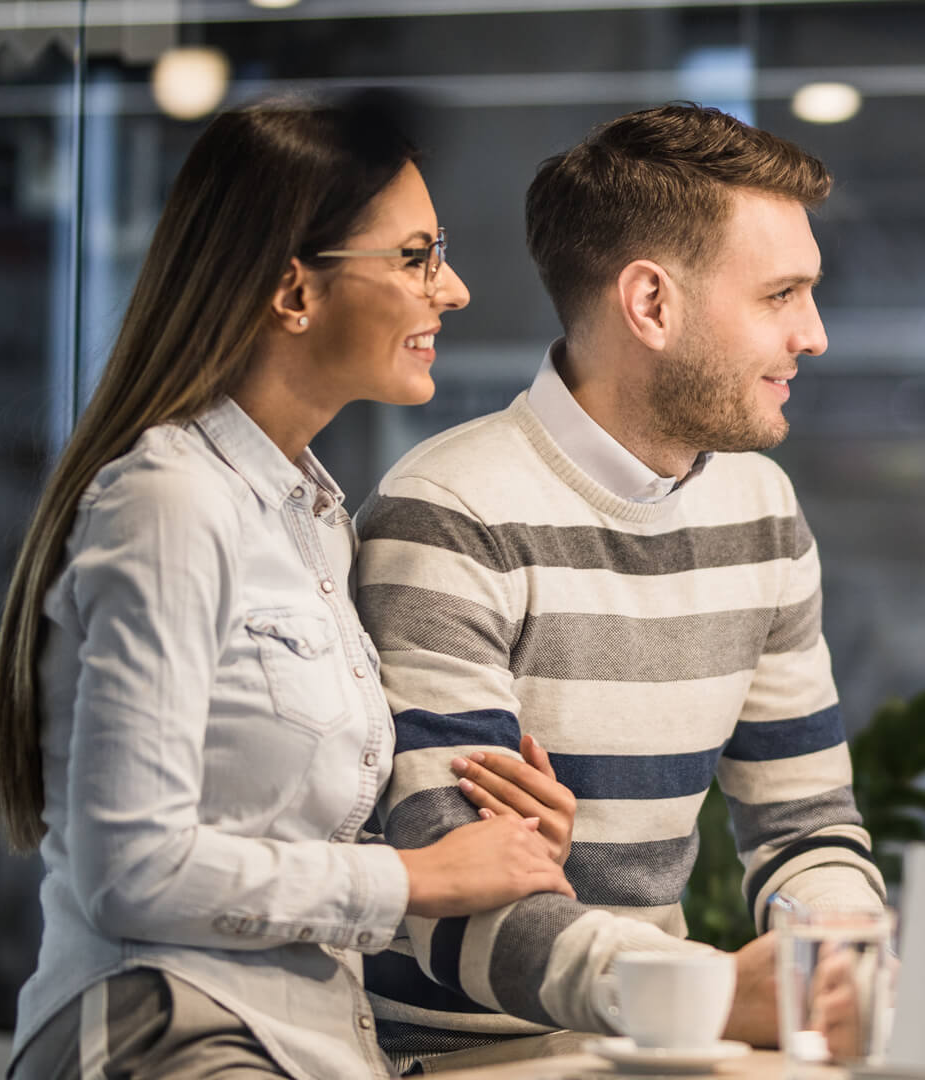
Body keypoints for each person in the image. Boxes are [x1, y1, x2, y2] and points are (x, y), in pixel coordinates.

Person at [0, 95, 575, 1080]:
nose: (455, 289)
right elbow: (135, 874)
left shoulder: (311, 519)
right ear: (293, 290)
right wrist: (417, 877)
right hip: (170, 1039)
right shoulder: (169, 504)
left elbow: (280, 859)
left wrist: (487, 854)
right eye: (417, 256)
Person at [353, 102, 885, 1066]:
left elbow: (805, 825)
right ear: (650, 305)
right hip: (473, 1059)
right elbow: (451, 899)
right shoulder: (448, 513)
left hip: (662, 1046)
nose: (815, 334)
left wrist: (839, 956)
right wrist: (708, 993)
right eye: (781, 295)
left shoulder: (760, 509)